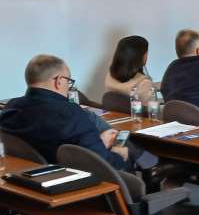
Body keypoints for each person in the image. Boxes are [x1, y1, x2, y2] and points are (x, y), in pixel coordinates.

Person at [0, 55, 129, 169]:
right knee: (128, 154)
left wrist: (98, 142)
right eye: (69, 81)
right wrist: (117, 152)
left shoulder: (10, 107)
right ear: (59, 81)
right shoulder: (71, 113)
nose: (68, 86)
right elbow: (105, 164)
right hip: (73, 180)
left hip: (23, 176)